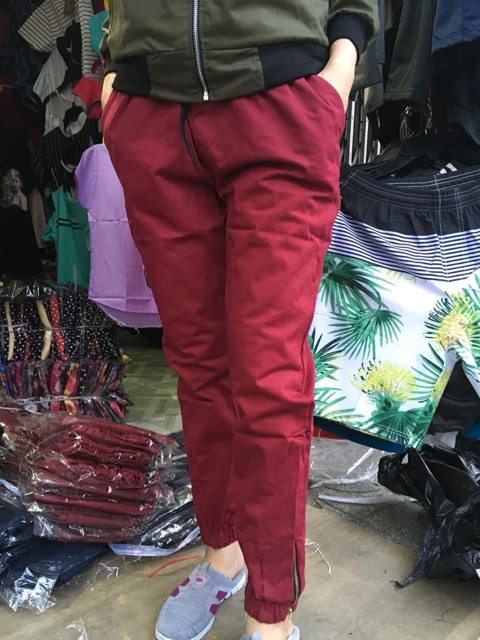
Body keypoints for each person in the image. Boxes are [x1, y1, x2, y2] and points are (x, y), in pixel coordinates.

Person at [100, 2, 378, 639]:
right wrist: (113, 75)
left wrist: (340, 64)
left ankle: (271, 612)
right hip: (151, 112)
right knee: (199, 365)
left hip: (279, 103)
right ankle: (223, 554)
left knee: (269, 375)